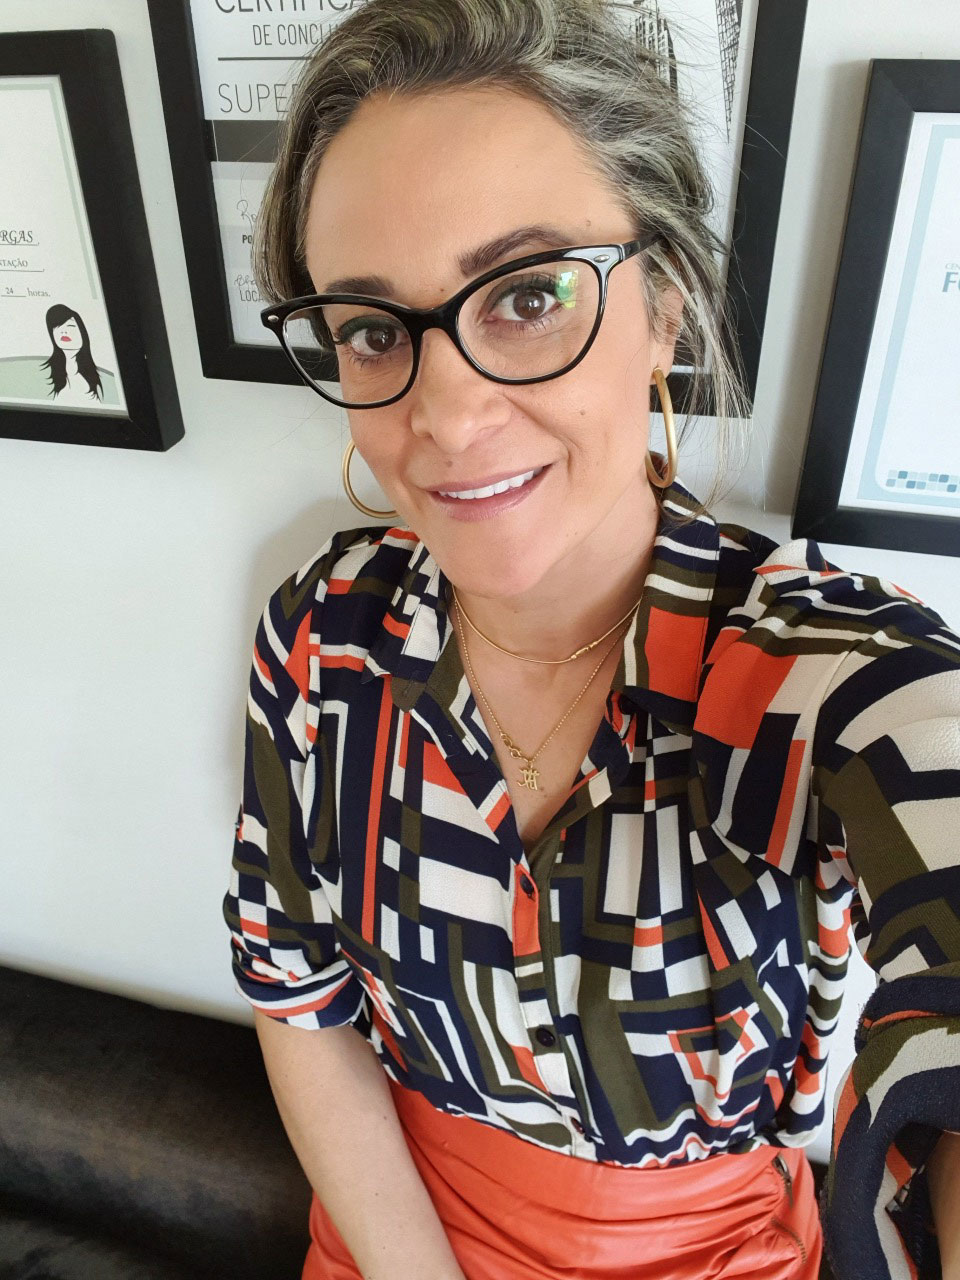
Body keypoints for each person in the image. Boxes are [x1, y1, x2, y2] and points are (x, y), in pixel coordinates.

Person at [221, 2, 960, 1278]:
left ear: (663, 309)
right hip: (392, 1239)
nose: (449, 415)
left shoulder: (821, 674)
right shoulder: (323, 637)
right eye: (375, 330)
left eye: (528, 295)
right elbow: (297, 998)